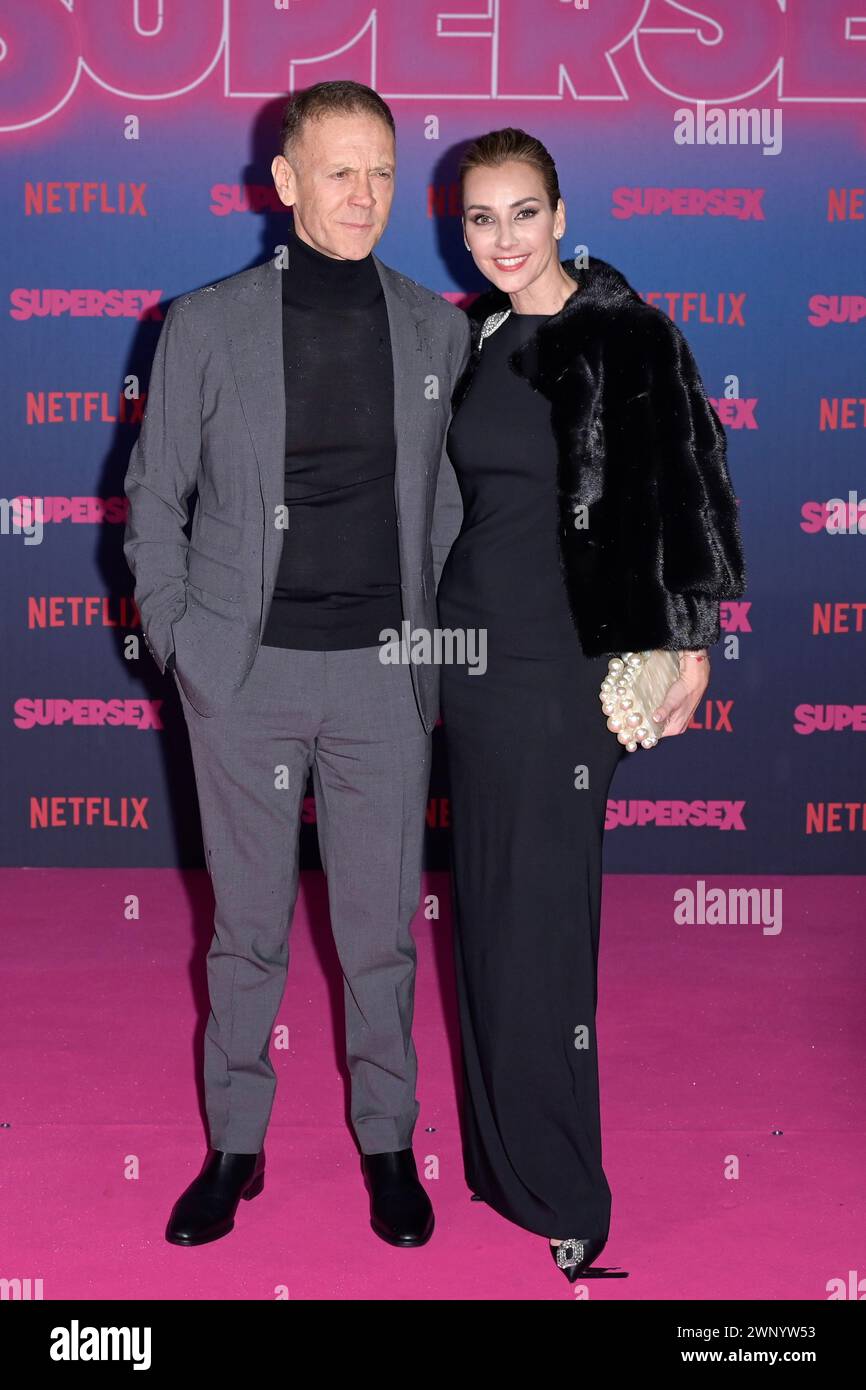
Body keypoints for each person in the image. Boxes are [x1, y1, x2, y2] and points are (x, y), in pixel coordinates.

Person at [123, 80, 470, 1249]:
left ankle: (387, 1144)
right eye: (338, 170)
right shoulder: (206, 324)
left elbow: (460, 514)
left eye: (382, 170)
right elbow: (151, 501)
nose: (365, 194)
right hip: (246, 678)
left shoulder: (437, 328)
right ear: (283, 184)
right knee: (248, 930)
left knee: (380, 930)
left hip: (383, 680)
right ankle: (233, 1146)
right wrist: (184, 646)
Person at [433, 128, 746, 1280]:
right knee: (482, 909)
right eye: (479, 219)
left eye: (522, 212)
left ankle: (564, 1185)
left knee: (544, 924)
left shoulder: (626, 336)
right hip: (469, 662)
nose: (502, 238)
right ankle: (498, 1163)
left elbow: (690, 494)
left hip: (568, 668)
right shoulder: (468, 338)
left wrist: (688, 641)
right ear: (457, 229)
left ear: (561, 213)